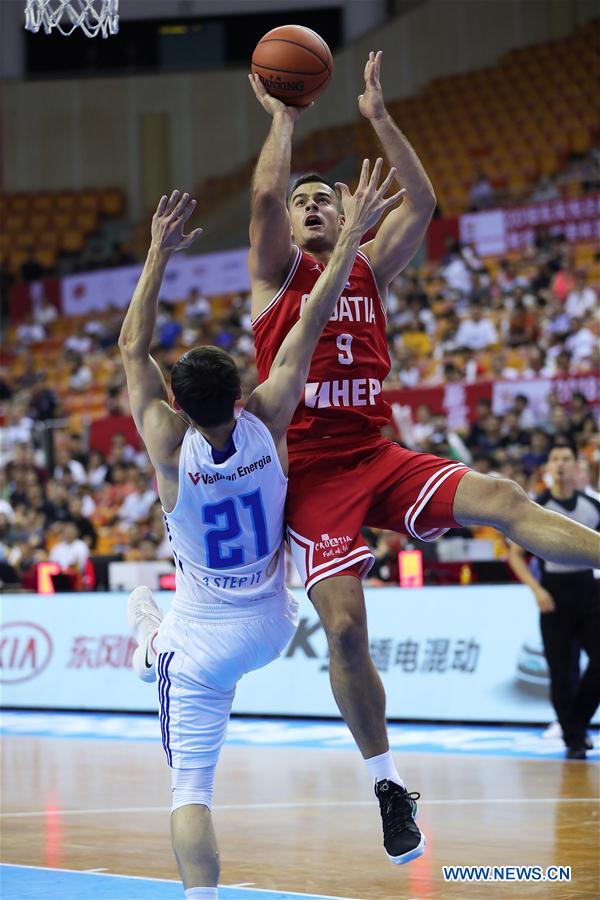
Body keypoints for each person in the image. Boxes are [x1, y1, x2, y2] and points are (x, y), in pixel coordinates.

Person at [248, 48, 600, 863]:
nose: (305, 208)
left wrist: (378, 119)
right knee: (343, 634)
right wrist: (283, 120)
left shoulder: (370, 265)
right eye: (300, 203)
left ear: (344, 217)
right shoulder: (272, 279)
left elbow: (427, 199)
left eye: (321, 202)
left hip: (376, 453)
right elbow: (265, 192)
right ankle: (385, 783)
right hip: (309, 478)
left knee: (506, 497)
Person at [120, 172, 404, 899]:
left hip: (202, 640)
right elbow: (312, 313)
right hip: (273, 620)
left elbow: (131, 347)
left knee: (190, 792)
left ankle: (201, 897)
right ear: (238, 394)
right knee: (156, 615)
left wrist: (156, 251)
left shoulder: (163, 443)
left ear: (175, 404)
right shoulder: (270, 418)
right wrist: (349, 238)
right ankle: (147, 628)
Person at [508, 441, 600, 759]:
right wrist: (537, 589)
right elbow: (515, 555)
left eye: (566, 459)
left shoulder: (592, 506)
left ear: (577, 466)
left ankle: (576, 722)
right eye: (555, 459)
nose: (561, 464)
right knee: (562, 671)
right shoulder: (538, 508)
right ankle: (574, 739)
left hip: (589, 590)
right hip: (554, 592)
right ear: (548, 467)